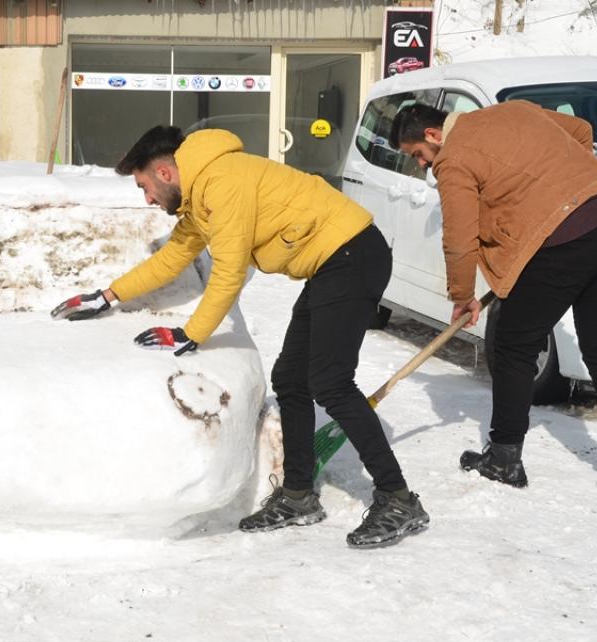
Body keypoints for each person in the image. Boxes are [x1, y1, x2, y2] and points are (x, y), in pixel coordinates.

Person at [51, 125, 429, 548]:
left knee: (331, 381)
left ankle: (398, 499)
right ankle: (299, 494)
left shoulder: (222, 181)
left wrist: (190, 334)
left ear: (164, 172)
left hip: (352, 255)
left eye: (144, 187)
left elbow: (229, 271)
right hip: (331, 264)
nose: (148, 199)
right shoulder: (198, 196)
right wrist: (106, 296)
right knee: (291, 378)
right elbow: (174, 257)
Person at [389, 100, 597, 497]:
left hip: (565, 241)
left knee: (514, 345)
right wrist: (559, 184)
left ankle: (503, 458)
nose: (423, 166)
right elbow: (581, 130)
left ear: (433, 135)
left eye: (419, 156)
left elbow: (460, 238)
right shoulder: (512, 110)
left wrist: (462, 296)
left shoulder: (454, 158)